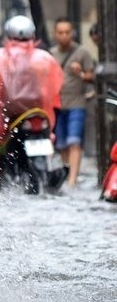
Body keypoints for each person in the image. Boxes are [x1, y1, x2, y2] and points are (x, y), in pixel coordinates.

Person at [0, 15, 63, 190]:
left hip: (6, 115)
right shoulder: (45, 58)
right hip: (38, 114)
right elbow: (56, 86)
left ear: (8, 34)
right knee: (50, 136)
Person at [50, 17, 98, 188]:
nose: (64, 36)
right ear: (55, 34)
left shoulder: (82, 53)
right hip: (57, 106)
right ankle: (67, 173)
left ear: (72, 33)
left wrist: (81, 74)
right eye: (60, 32)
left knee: (74, 142)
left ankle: (72, 180)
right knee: (62, 144)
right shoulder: (51, 54)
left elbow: (94, 76)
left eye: (67, 32)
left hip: (77, 104)